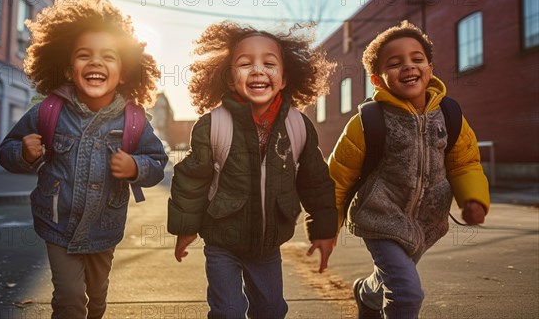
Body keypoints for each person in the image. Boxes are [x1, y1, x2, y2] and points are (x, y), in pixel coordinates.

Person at [0, 0, 167, 319]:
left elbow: (157, 162)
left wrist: (135, 167)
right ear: (67, 68)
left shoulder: (133, 119)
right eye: (83, 55)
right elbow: (6, 152)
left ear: (124, 70)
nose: (95, 62)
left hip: (105, 226)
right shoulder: (48, 111)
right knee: (70, 298)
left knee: (96, 295)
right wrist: (24, 153)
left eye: (109, 56)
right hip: (58, 223)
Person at [167, 20, 339, 318]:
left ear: (285, 78)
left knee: (272, 310)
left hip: (267, 245)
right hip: (222, 240)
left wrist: (323, 229)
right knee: (229, 311)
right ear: (230, 79)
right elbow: (191, 179)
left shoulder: (297, 126)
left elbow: (315, 181)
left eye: (269, 63)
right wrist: (185, 228)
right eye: (245, 63)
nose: (258, 70)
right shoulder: (214, 125)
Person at [327, 21, 490, 319]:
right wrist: (326, 227)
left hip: (427, 222)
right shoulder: (368, 121)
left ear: (429, 68)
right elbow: (338, 177)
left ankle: (366, 292)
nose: (408, 66)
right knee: (406, 293)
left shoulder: (450, 115)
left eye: (417, 59)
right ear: (377, 79)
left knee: (392, 276)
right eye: (395, 62)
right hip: (380, 217)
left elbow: (465, 162)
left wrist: (474, 199)